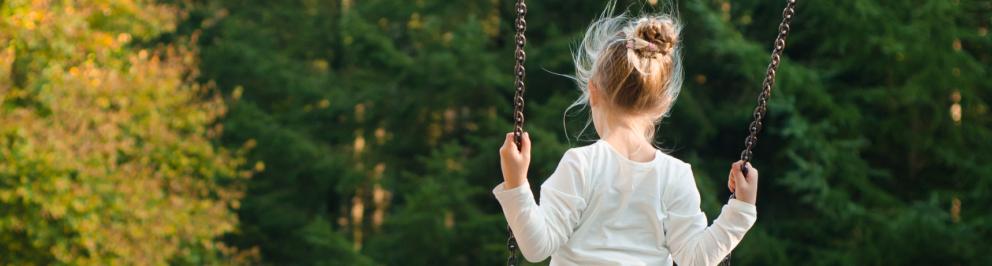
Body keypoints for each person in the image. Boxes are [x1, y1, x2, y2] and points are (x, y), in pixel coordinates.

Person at [494, 10, 759, 266]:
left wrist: (516, 183)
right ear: (663, 103)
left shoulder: (581, 165)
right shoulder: (676, 175)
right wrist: (741, 209)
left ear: (593, 92)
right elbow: (696, 259)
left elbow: (537, 247)